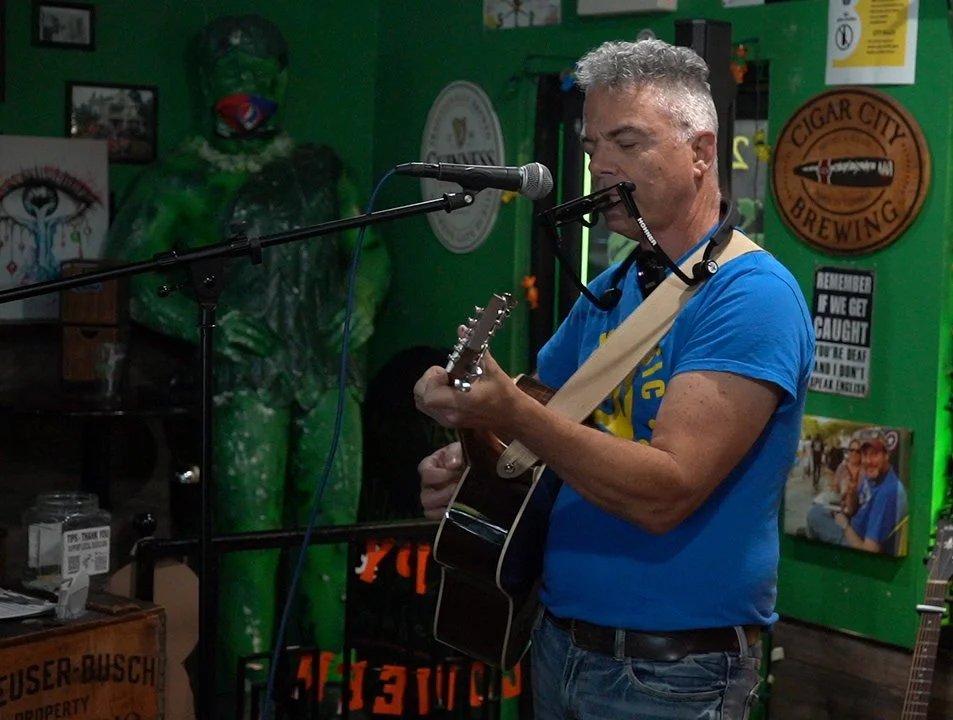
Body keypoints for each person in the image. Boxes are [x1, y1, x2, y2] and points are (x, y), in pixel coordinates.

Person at [415, 38, 814, 719]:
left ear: (701, 151)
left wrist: (508, 412)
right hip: (559, 643)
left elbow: (668, 491)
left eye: (627, 143)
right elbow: (543, 423)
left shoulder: (751, 296)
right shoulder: (613, 285)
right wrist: (471, 452)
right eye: (594, 144)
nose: (601, 165)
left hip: (672, 670)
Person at [104, 14, 390, 702]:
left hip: (326, 373)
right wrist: (204, 318)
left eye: (261, 75)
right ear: (205, 80)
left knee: (331, 543)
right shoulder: (181, 178)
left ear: (283, 80)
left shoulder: (322, 167)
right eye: (232, 74)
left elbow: (369, 249)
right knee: (247, 551)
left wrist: (366, 301)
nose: (247, 86)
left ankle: (334, 699)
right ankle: (248, 702)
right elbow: (128, 275)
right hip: (243, 381)